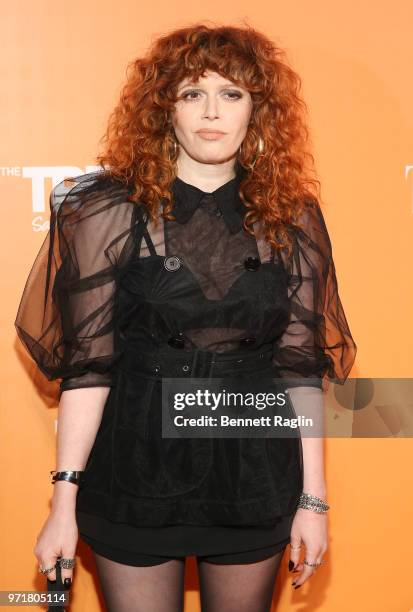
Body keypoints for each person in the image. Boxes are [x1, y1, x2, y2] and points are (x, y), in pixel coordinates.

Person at [14, 23, 357, 612]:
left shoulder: (291, 218)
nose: (211, 112)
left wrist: (313, 501)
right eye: (192, 93)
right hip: (134, 468)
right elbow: (89, 369)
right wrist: (62, 505)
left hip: (253, 472)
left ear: (259, 111)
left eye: (232, 94)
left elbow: (299, 367)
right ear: (163, 109)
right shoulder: (105, 210)